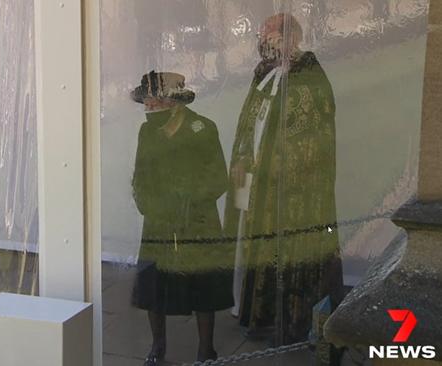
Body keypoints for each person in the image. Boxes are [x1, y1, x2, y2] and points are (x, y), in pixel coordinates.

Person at [224, 13, 344, 344]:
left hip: (289, 188)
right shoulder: (263, 73)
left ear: (288, 37)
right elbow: (250, 121)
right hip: (255, 177)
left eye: (269, 31)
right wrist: (243, 158)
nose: (262, 36)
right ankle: (257, 313)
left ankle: (289, 320)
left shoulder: (309, 74)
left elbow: (314, 132)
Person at [130, 70, 233, 365]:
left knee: (204, 288)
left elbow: (217, 179)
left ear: (172, 102)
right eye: (146, 105)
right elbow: (140, 176)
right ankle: (157, 346)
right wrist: (148, 204)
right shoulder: (147, 132)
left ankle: (206, 350)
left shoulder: (203, 129)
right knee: (154, 287)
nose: (149, 111)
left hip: (197, 222)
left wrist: (186, 200)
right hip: (159, 221)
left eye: (154, 105)